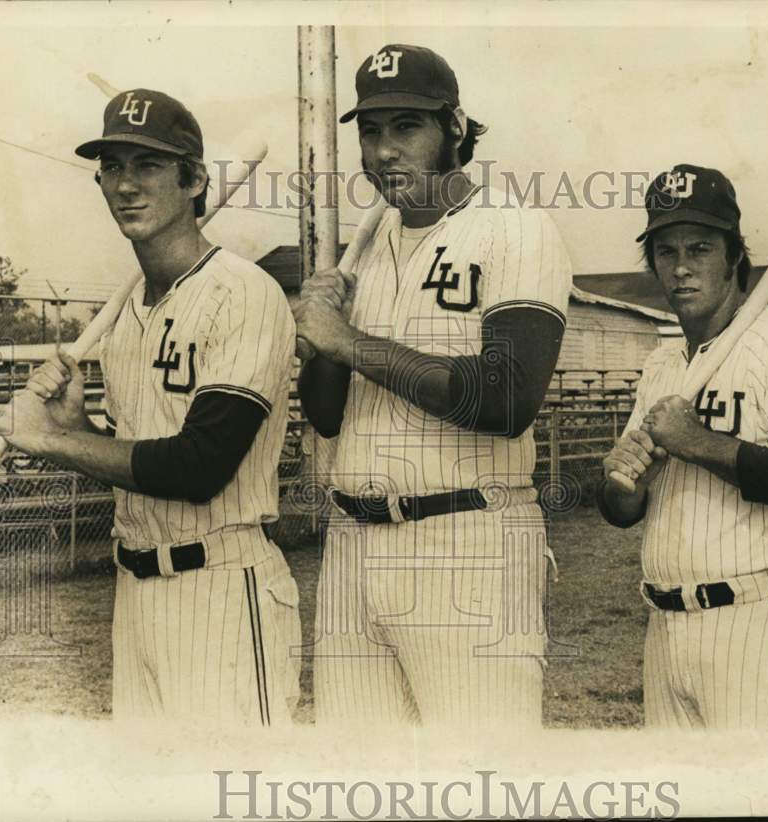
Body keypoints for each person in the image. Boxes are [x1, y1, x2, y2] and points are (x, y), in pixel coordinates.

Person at [0, 89, 300, 725]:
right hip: (132, 592)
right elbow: (143, 446)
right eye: (112, 167)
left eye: (148, 165)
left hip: (222, 587)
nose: (125, 185)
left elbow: (198, 465)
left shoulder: (245, 293)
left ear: (193, 180)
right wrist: (80, 429)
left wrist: (47, 441)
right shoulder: (128, 314)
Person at [295, 44, 573, 728]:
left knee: (482, 779)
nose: (385, 150)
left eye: (406, 127)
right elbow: (327, 415)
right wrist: (324, 339)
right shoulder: (361, 250)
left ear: (454, 127)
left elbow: (506, 398)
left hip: (468, 540)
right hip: (352, 546)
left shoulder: (516, 228)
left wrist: (351, 342)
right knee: (356, 784)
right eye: (371, 130)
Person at [597, 164, 768, 733]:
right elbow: (620, 512)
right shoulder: (663, 363)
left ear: (734, 255)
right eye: (666, 252)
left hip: (752, 622)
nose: (682, 268)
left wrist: (698, 443)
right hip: (663, 630)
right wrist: (622, 485)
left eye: (700, 248)